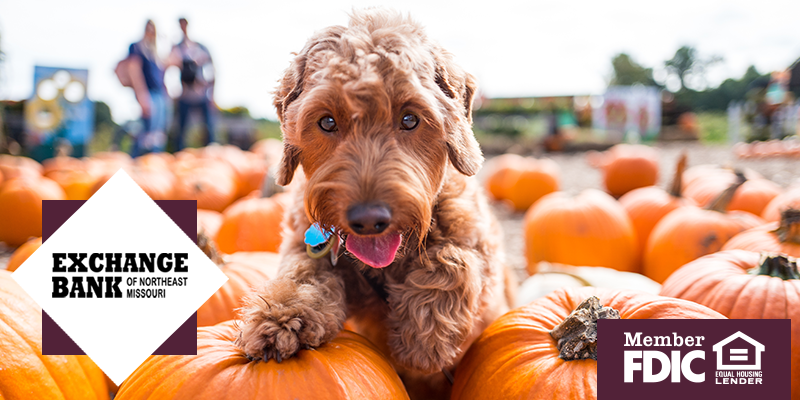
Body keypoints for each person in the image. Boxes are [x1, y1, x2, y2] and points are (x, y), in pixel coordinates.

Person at [171, 17, 216, 150]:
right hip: (185, 94)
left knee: (209, 129)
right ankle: (179, 155)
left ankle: (211, 154)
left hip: (201, 94)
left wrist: (211, 91)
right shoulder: (177, 48)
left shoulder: (200, 47)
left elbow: (212, 69)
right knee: (181, 131)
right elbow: (168, 67)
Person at [127, 20, 169, 156]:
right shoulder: (137, 47)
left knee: (157, 134)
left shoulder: (154, 51)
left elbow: (161, 75)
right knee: (146, 132)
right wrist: (141, 95)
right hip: (148, 94)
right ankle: (137, 162)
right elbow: (134, 71)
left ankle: (153, 161)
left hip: (159, 94)